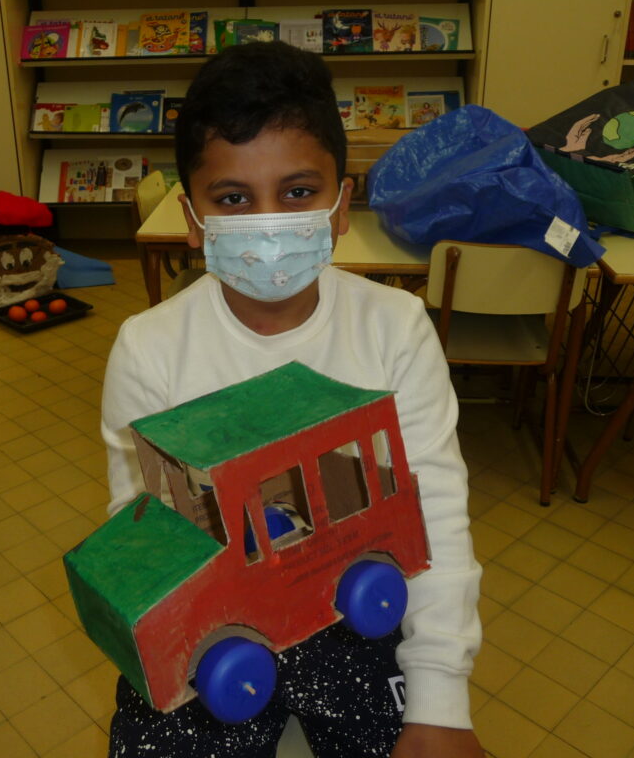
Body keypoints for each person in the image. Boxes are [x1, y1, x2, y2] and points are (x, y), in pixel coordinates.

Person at [101, 40, 483, 758]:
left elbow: (435, 511)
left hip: (351, 605)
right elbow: (139, 529)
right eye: (234, 199)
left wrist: (442, 701)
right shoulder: (149, 348)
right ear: (193, 218)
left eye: (299, 192)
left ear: (342, 205)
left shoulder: (395, 328)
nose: (269, 220)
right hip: (217, 615)